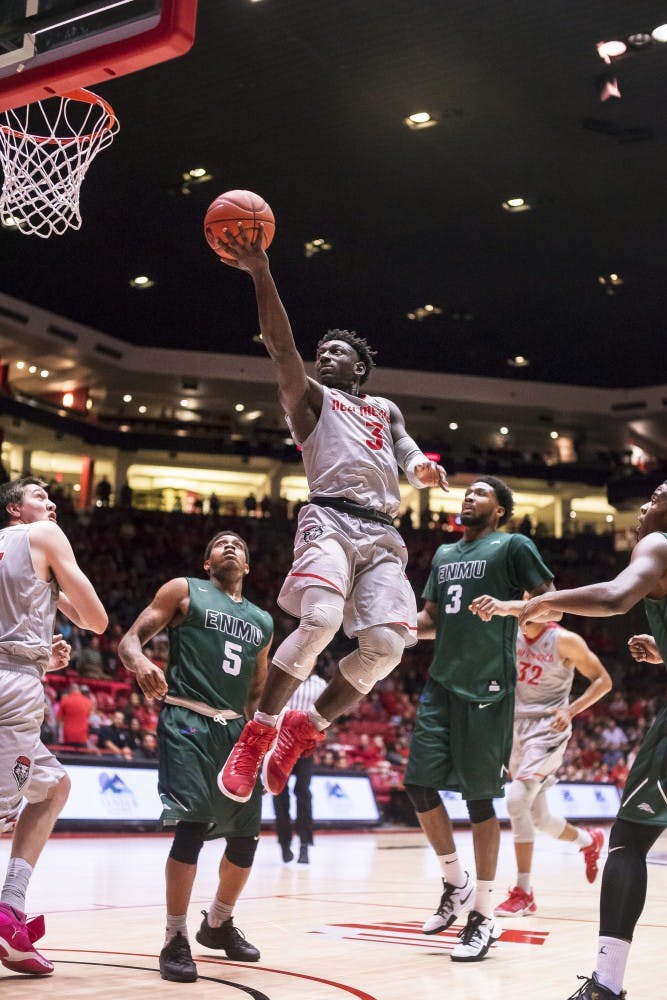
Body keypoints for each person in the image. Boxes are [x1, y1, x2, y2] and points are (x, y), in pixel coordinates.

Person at [215, 225, 448, 807]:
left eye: (338, 350)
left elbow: (408, 451)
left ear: (361, 368)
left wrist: (422, 471)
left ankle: (304, 728)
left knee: (390, 646)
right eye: (323, 351)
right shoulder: (312, 398)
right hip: (330, 519)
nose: (326, 354)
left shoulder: (386, 409)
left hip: (384, 534)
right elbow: (280, 347)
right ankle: (259, 731)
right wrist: (261, 272)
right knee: (318, 620)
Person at [518, 480, 667, 1000]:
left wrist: (538, 604)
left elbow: (614, 596)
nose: (646, 505)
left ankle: (606, 985)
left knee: (628, 842)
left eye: (658, 497)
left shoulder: (660, 544)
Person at [403, 477, 556, 961]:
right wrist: (392, 626)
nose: (469, 496)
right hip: (442, 684)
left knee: (479, 800)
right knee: (419, 786)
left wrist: (512, 608)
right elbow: (429, 623)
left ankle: (484, 917)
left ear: (501, 510)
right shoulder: (444, 555)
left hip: (488, 685)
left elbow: (550, 604)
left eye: (482, 493)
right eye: (467, 491)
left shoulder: (513, 545)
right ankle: (456, 884)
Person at [118, 530, 273, 984]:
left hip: (236, 731)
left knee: (246, 838)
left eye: (240, 546)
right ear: (207, 563)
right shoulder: (184, 590)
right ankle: (174, 937)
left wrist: (262, 734)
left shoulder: (262, 621)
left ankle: (218, 924)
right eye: (220, 545)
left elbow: (257, 690)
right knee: (192, 826)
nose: (231, 548)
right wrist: (143, 663)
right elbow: (129, 641)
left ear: (247, 566)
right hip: (187, 720)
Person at [0, 476, 107, 976]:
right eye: (39, 496)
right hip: (12, 689)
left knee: (54, 787)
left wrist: (42, 656)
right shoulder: (42, 536)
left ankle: (11, 908)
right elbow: (96, 619)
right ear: (14, 510)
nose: (51, 503)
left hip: (16, 670)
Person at [467, 602, 612, 915]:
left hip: (548, 728)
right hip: (514, 729)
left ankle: (524, 892)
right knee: (541, 819)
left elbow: (604, 680)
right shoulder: (508, 635)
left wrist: (570, 710)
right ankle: (589, 841)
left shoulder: (565, 640)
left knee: (516, 800)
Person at [272, 670, 327, 865]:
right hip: (281, 744)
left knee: (303, 792)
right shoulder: (286, 676)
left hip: (305, 747)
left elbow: (326, 714)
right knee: (280, 793)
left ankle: (305, 844)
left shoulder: (320, 684)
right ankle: (285, 843)